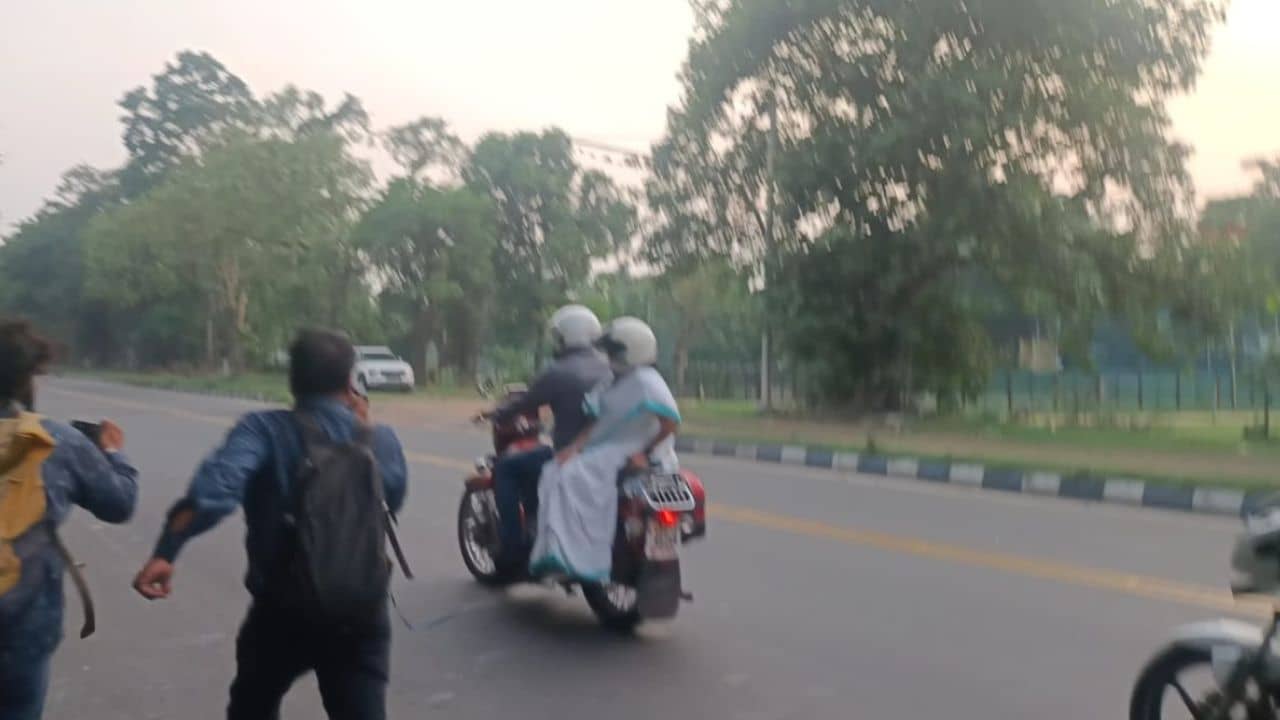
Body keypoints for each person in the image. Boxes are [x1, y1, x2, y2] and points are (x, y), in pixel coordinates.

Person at [132, 329, 408, 720]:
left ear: (292, 380)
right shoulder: (380, 438)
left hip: (283, 611)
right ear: (350, 382)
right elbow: (390, 500)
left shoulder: (262, 430)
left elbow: (215, 492)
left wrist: (166, 552)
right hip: (360, 610)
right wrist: (364, 434)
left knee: (253, 705)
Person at [0, 318, 138, 720]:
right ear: (25, 378)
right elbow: (120, 503)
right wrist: (113, 453)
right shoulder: (56, 440)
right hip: (24, 631)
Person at [530, 317, 681, 581]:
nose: (609, 356)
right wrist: (574, 449)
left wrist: (646, 452)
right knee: (553, 470)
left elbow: (670, 422)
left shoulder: (646, 380)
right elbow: (595, 423)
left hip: (632, 452)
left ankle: (581, 558)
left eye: (615, 351)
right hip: (610, 449)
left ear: (632, 350)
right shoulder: (615, 379)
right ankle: (556, 551)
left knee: (567, 477)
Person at [483, 304, 610, 574]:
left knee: (505, 467)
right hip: (606, 453)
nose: (556, 343)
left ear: (567, 338)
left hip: (570, 454)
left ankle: (512, 548)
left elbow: (525, 402)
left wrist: (495, 413)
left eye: (558, 337)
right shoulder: (610, 366)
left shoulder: (557, 371)